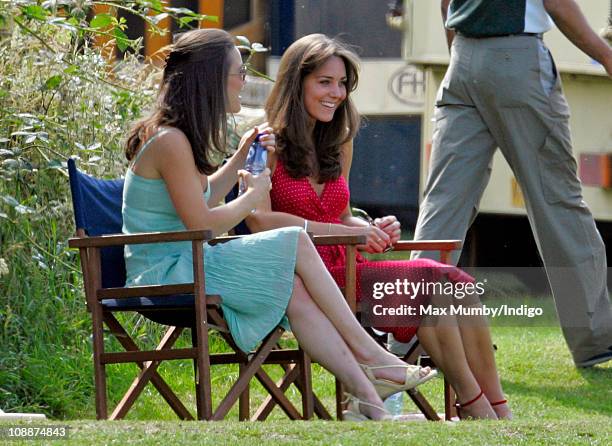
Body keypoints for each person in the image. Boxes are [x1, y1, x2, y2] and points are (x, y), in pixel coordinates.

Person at [121, 28, 441, 422]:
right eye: (238, 72)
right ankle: (374, 357)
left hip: (187, 259)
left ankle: (370, 403)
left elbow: (204, 197)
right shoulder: (170, 141)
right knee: (295, 240)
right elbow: (203, 224)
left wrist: (239, 158)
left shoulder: (176, 138)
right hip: (167, 271)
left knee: (298, 293)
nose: (244, 80)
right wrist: (253, 198)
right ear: (211, 78)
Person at [246, 33, 511, 419]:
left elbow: (339, 214)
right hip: (302, 276)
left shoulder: (338, 140)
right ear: (295, 82)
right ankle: (483, 410)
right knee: (436, 280)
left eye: (342, 84)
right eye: (325, 82)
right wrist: (348, 232)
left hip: (349, 268)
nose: (336, 93)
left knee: (445, 289)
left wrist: (371, 228)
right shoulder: (265, 141)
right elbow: (258, 220)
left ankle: (487, 403)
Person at [410, 0, 612, 368]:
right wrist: (606, 55)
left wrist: (463, 57)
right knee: (557, 201)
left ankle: (410, 336)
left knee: (443, 204)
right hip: (516, 60)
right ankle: (595, 338)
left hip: (462, 57)